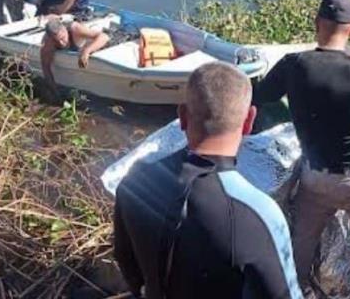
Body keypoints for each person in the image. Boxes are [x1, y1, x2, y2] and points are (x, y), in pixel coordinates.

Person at [252, 0, 350, 299]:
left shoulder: (293, 65)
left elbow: (261, 96)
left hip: (314, 181)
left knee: (296, 254)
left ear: (316, 24)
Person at [113, 62, 302, 298]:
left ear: (182, 115)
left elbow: (126, 261)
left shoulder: (135, 183)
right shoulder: (256, 212)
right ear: (249, 121)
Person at [40, 17, 109, 89]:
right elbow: (45, 67)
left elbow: (104, 36)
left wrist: (87, 51)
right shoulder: (48, 43)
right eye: (56, 41)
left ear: (64, 30)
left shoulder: (75, 29)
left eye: (62, 38)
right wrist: (54, 90)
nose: (61, 43)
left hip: (84, 44)